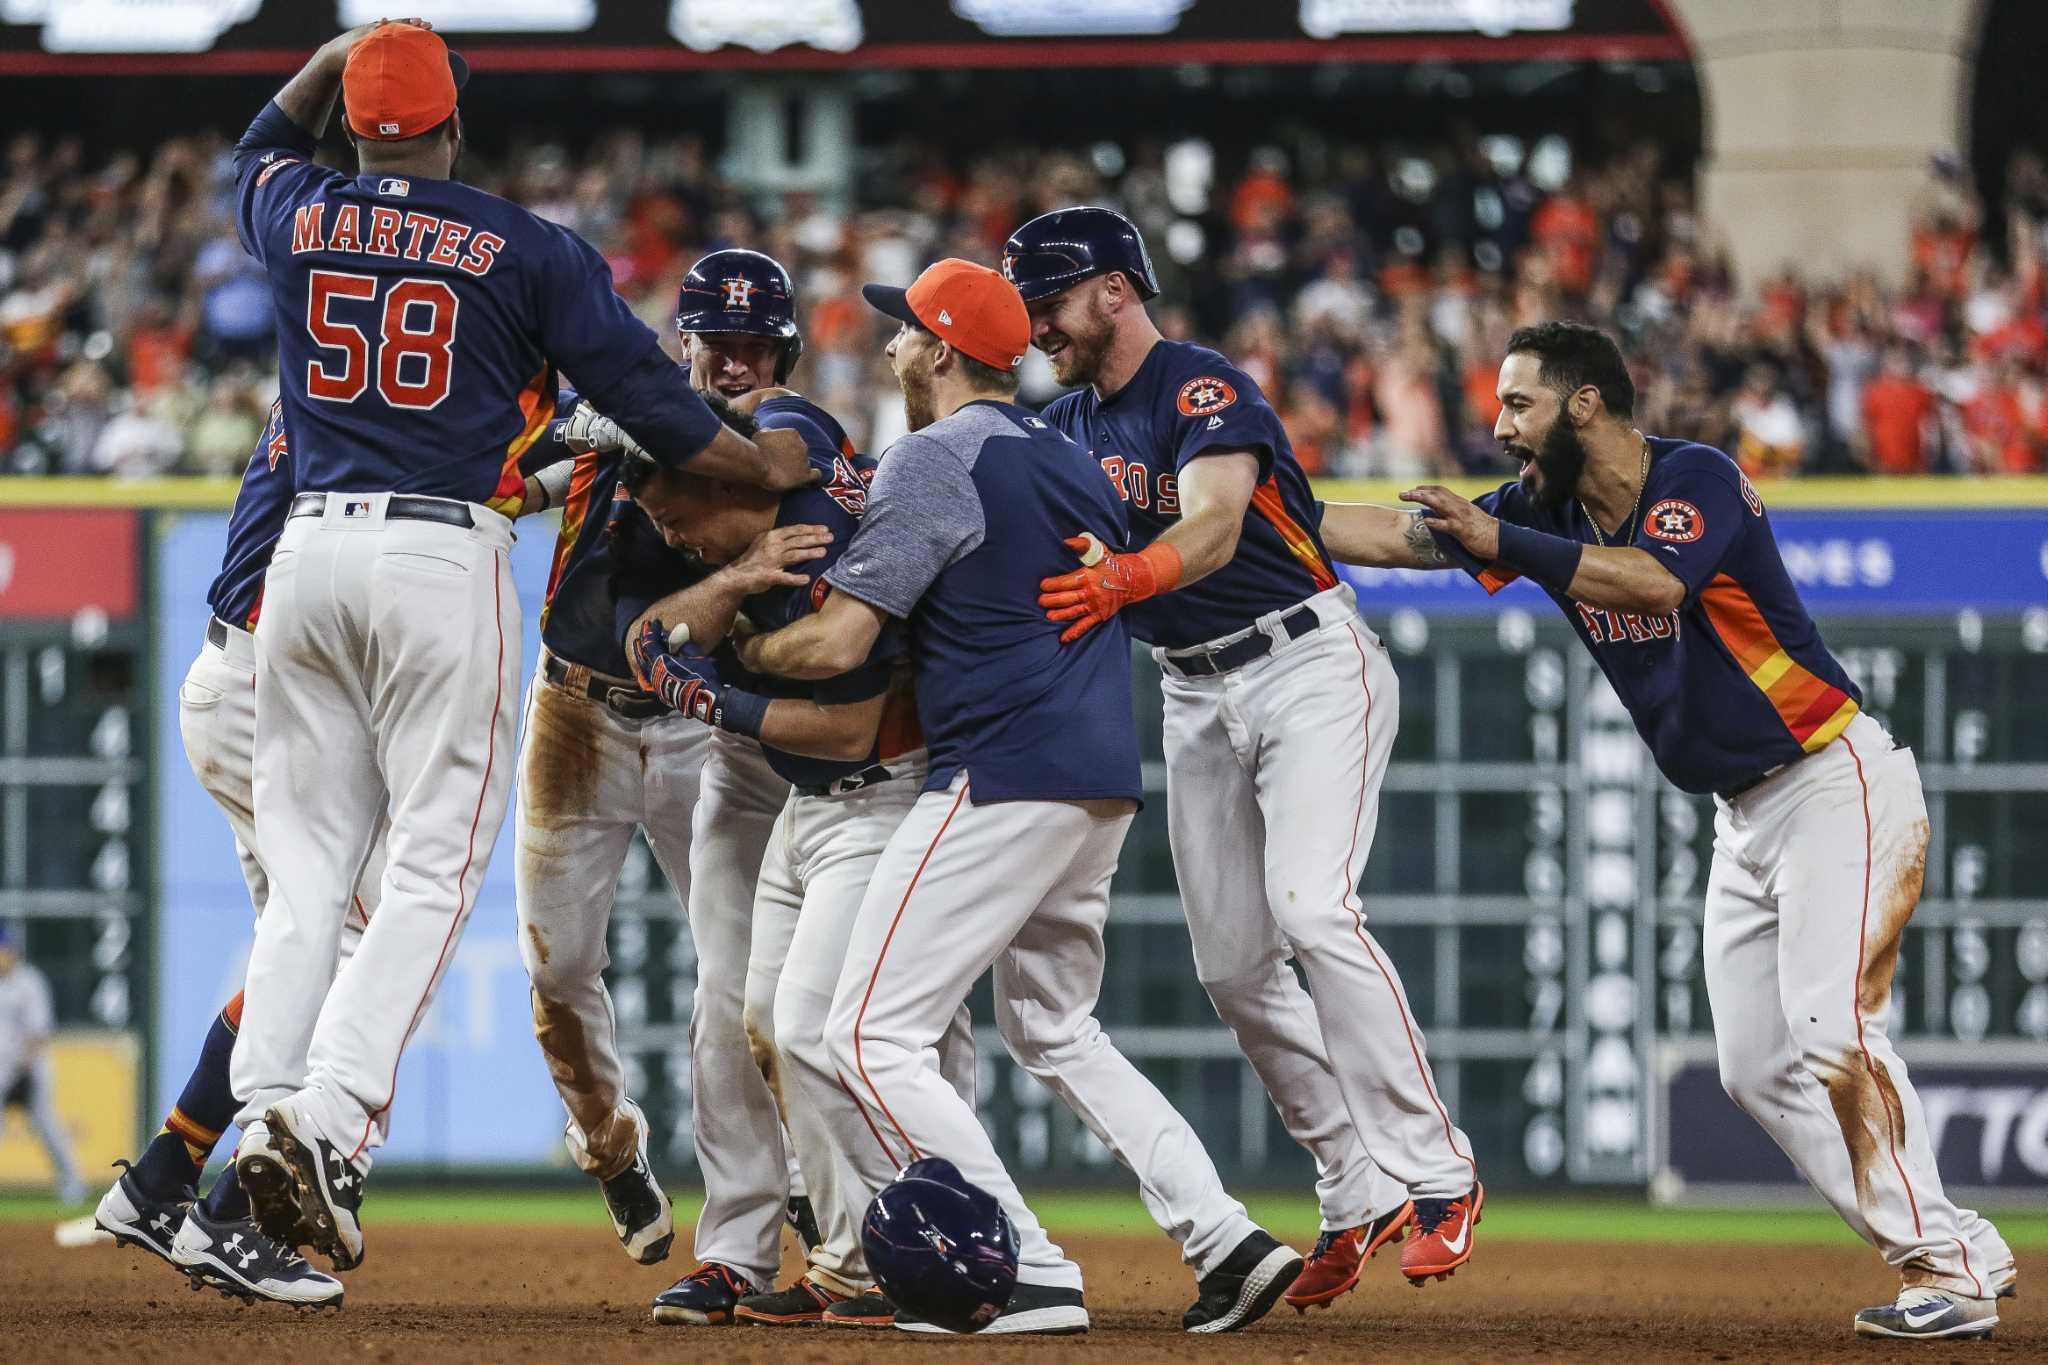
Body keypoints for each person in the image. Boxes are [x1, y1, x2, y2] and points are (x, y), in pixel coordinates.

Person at [222, 19, 812, 1275]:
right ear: (452, 122)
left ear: (352, 120)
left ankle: (264, 1114)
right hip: (441, 548)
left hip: (306, 551)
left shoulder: (299, 210)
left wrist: (339, 57)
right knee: (431, 870)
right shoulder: (521, 245)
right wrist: (752, 461)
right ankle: (323, 1125)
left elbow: (261, 142)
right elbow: (655, 406)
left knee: (308, 874)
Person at [1320, 319, 2017, 1342]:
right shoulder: (1544, 506)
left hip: (1833, 781)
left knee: (1830, 1031)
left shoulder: (1693, 477)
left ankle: (1946, 1269)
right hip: (1740, 817)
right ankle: (1955, 1241)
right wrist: (1264, 501)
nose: (1499, 423)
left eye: (1519, 403)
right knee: (1751, 1069)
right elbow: (1398, 536)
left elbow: (1653, 582)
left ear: (1586, 403)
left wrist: (1501, 542)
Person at [733, 258, 1302, 1336]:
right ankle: (1222, 1233)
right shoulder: (1070, 459)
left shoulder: (931, 460)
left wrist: (721, 654)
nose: (893, 345)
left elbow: (842, 640)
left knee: (858, 1034)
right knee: (1052, 1027)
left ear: (943, 351)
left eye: (907, 333)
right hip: (1096, 776)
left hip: (999, 775)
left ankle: (1024, 1265)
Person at [1010, 206, 1471, 1309]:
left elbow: (1216, 526)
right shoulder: (1066, 423)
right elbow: (1317, 518)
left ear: (1114, 289)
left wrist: (1122, 578)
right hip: (1191, 685)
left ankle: (1437, 1173)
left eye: (1050, 299)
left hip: (1305, 662)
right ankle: (1354, 1191)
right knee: (1231, 968)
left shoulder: (1198, 386)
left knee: (1313, 906)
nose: (1036, 324)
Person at [621, 407, 975, 1330]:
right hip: (811, 805)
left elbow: (845, 723)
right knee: (771, 1021)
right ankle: (853, 1259)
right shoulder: (771, 499)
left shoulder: (817, 542)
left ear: (722, 485)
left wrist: (714, 691)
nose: (671, 537)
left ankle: (960, 1233)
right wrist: (734, 580)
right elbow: (649, 633)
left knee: (834, 1030)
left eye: (675, 517)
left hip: (882, 788)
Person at [511, 248, 825, 1276]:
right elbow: (498, 480)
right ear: (682, 345)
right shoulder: (622, 427)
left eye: (752, 347)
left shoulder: (790, 445)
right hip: (578, 709)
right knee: (557, 969)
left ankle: (800, 1178)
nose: (733, 366)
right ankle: (611, 1145)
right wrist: (577, 419)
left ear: (781, 352)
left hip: (705, 721)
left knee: (742, 971)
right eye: (716, 345)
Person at [0, 925, 84, 1206]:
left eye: (3, 950)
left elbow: (40, 1030)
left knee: (46, 1124)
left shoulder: (29, 981)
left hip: (30, 1066)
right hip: (1, 1068)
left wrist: (24, 1068)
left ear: (13, 951)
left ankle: (73, 1184)